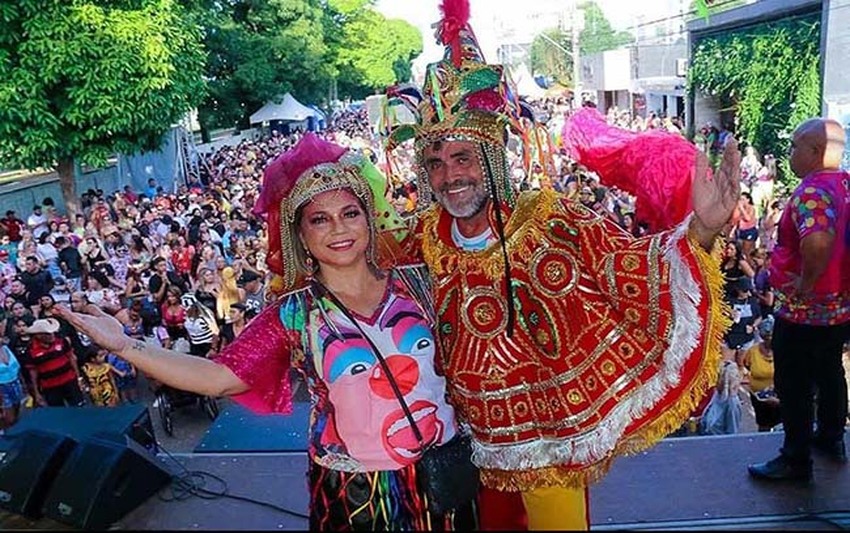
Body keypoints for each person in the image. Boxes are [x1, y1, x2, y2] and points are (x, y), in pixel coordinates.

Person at [382, 2, 739, 529]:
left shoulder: (555, 223)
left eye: (463, 158)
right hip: (462, 451)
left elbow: (634, 268)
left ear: (495, 159)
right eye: (435, 163)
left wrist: (703, 228)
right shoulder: (417, 243)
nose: (449, 175)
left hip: (551, 452)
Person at [56, 133, 476, 531]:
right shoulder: (293, 314)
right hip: (359, 494)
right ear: (300, 235)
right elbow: (218, 378)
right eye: (320, 220)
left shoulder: (423, 282)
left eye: (350, 213)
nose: (339, 229)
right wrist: (126, 345)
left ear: (370, 219)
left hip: (445, 476)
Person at [748, 117, 850, 481]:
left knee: (794, 385)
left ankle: (795, 459)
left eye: (794, 146)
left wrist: (806, 284)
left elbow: (818, 240)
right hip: (839, 309)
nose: (789, 153)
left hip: (807, 311)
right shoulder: (846, 185)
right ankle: (832, 438)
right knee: (830, 373)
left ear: (814, 151)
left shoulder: (812, 192)